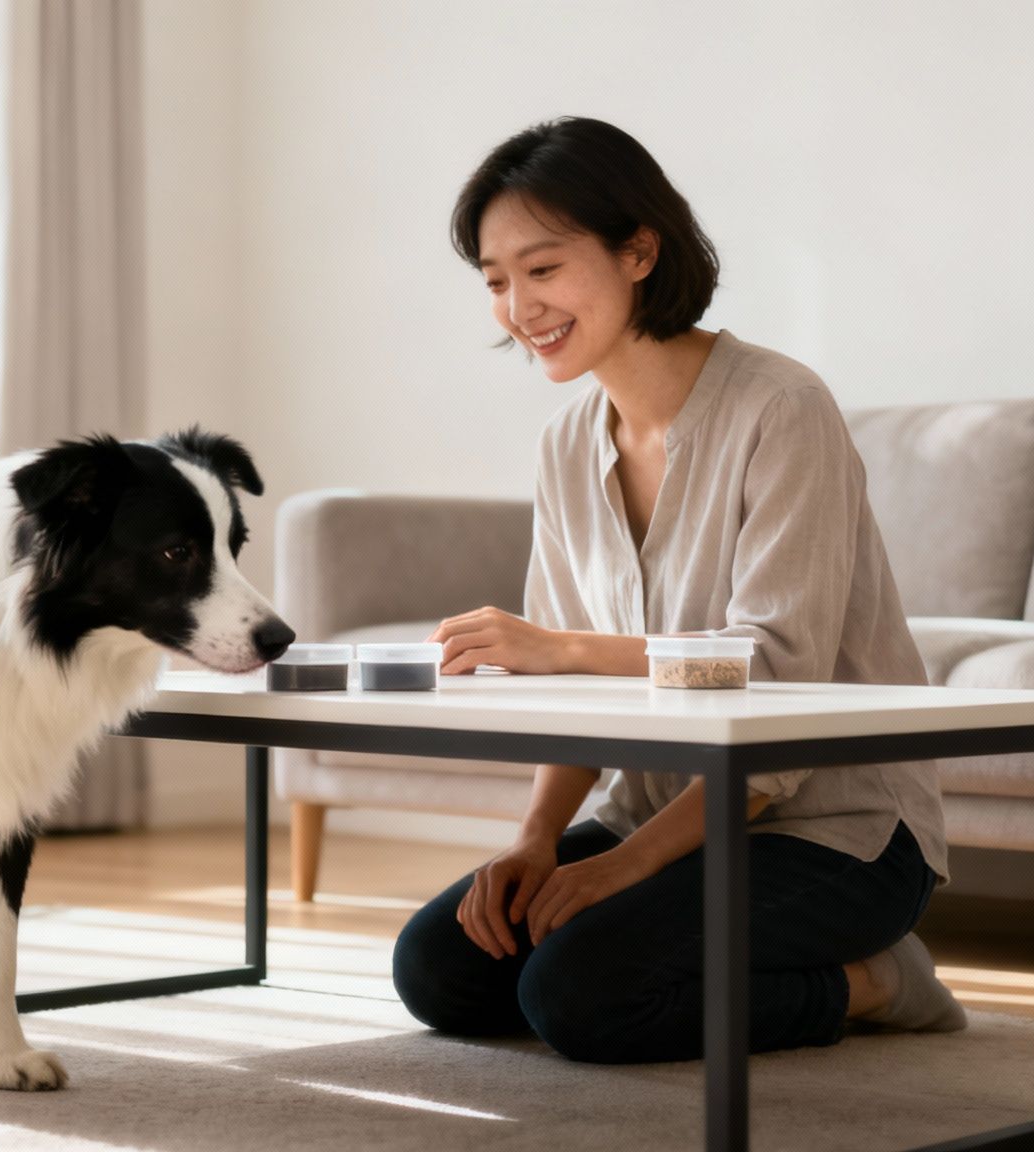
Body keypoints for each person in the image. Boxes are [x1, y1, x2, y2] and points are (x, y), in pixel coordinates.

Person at [391, 117, 967, 1064]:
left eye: (542, 269)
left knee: (581, 993)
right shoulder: (566, 445)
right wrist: (539, 840)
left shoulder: (781, 408)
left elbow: (774, 670)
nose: (518, 305)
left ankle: (879, 981)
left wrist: (621, 863)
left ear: (639, 251)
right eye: (496, 281)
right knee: (441, 969)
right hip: (656, 812)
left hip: (836, 831)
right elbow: (572, 699)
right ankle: (662, 917)